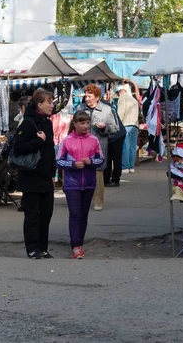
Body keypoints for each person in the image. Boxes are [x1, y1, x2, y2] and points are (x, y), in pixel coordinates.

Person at [14, 89, 56, 259]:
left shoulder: (48, 123)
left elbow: (50, 150)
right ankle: (32, 248)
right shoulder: (27, 123)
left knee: (46, 214)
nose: (52, 106)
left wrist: (53, 173)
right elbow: (18, 148)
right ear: (40, 104)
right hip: (31, 177)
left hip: (46, 176)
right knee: (32, 215)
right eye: (49, 102)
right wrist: (38, 141)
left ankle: (43, 247)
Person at [56, 111, 103, 259]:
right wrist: (73, 164)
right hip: (72, 184)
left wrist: (91, 161)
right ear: (75, 124)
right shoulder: (66, 141)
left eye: (87, 123)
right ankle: (75, 246)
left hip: (89, 183)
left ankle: (80, 243)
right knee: (75, 214)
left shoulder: (94, 140)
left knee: (84, 215)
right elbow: (58, 161)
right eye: (82, 123)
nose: (85, 126)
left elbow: (101, 158)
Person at [76, 84, 118, 211]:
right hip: (81, 145)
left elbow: (115, 128)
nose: (87, 99)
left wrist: (104, 127)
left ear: (97, 97)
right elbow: (74, 125)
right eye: (86, 96)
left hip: (99, 146)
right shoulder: (80, 108)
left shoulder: (107, 110)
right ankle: (81, 200)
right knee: (81, 171)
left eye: (89, 96)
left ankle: (98, 201)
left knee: (98, 172)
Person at [104, 95, 126, 187]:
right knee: (108, 157)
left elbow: (114, 125)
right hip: (110, 135)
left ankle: (115, 179)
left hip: (117, 134)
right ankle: (106, 179)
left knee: (116, 157)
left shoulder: (105, 108)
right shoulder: (105, 105)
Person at [117, 84, 140, 174]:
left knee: (125, 146)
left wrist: (118, 123)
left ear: (121, 91)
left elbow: (120, 112)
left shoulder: (123, 97)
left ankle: (125, 167)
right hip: (135, 125)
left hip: (126, 124)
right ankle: (131, 166)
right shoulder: (134, 100)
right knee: (132, 146)